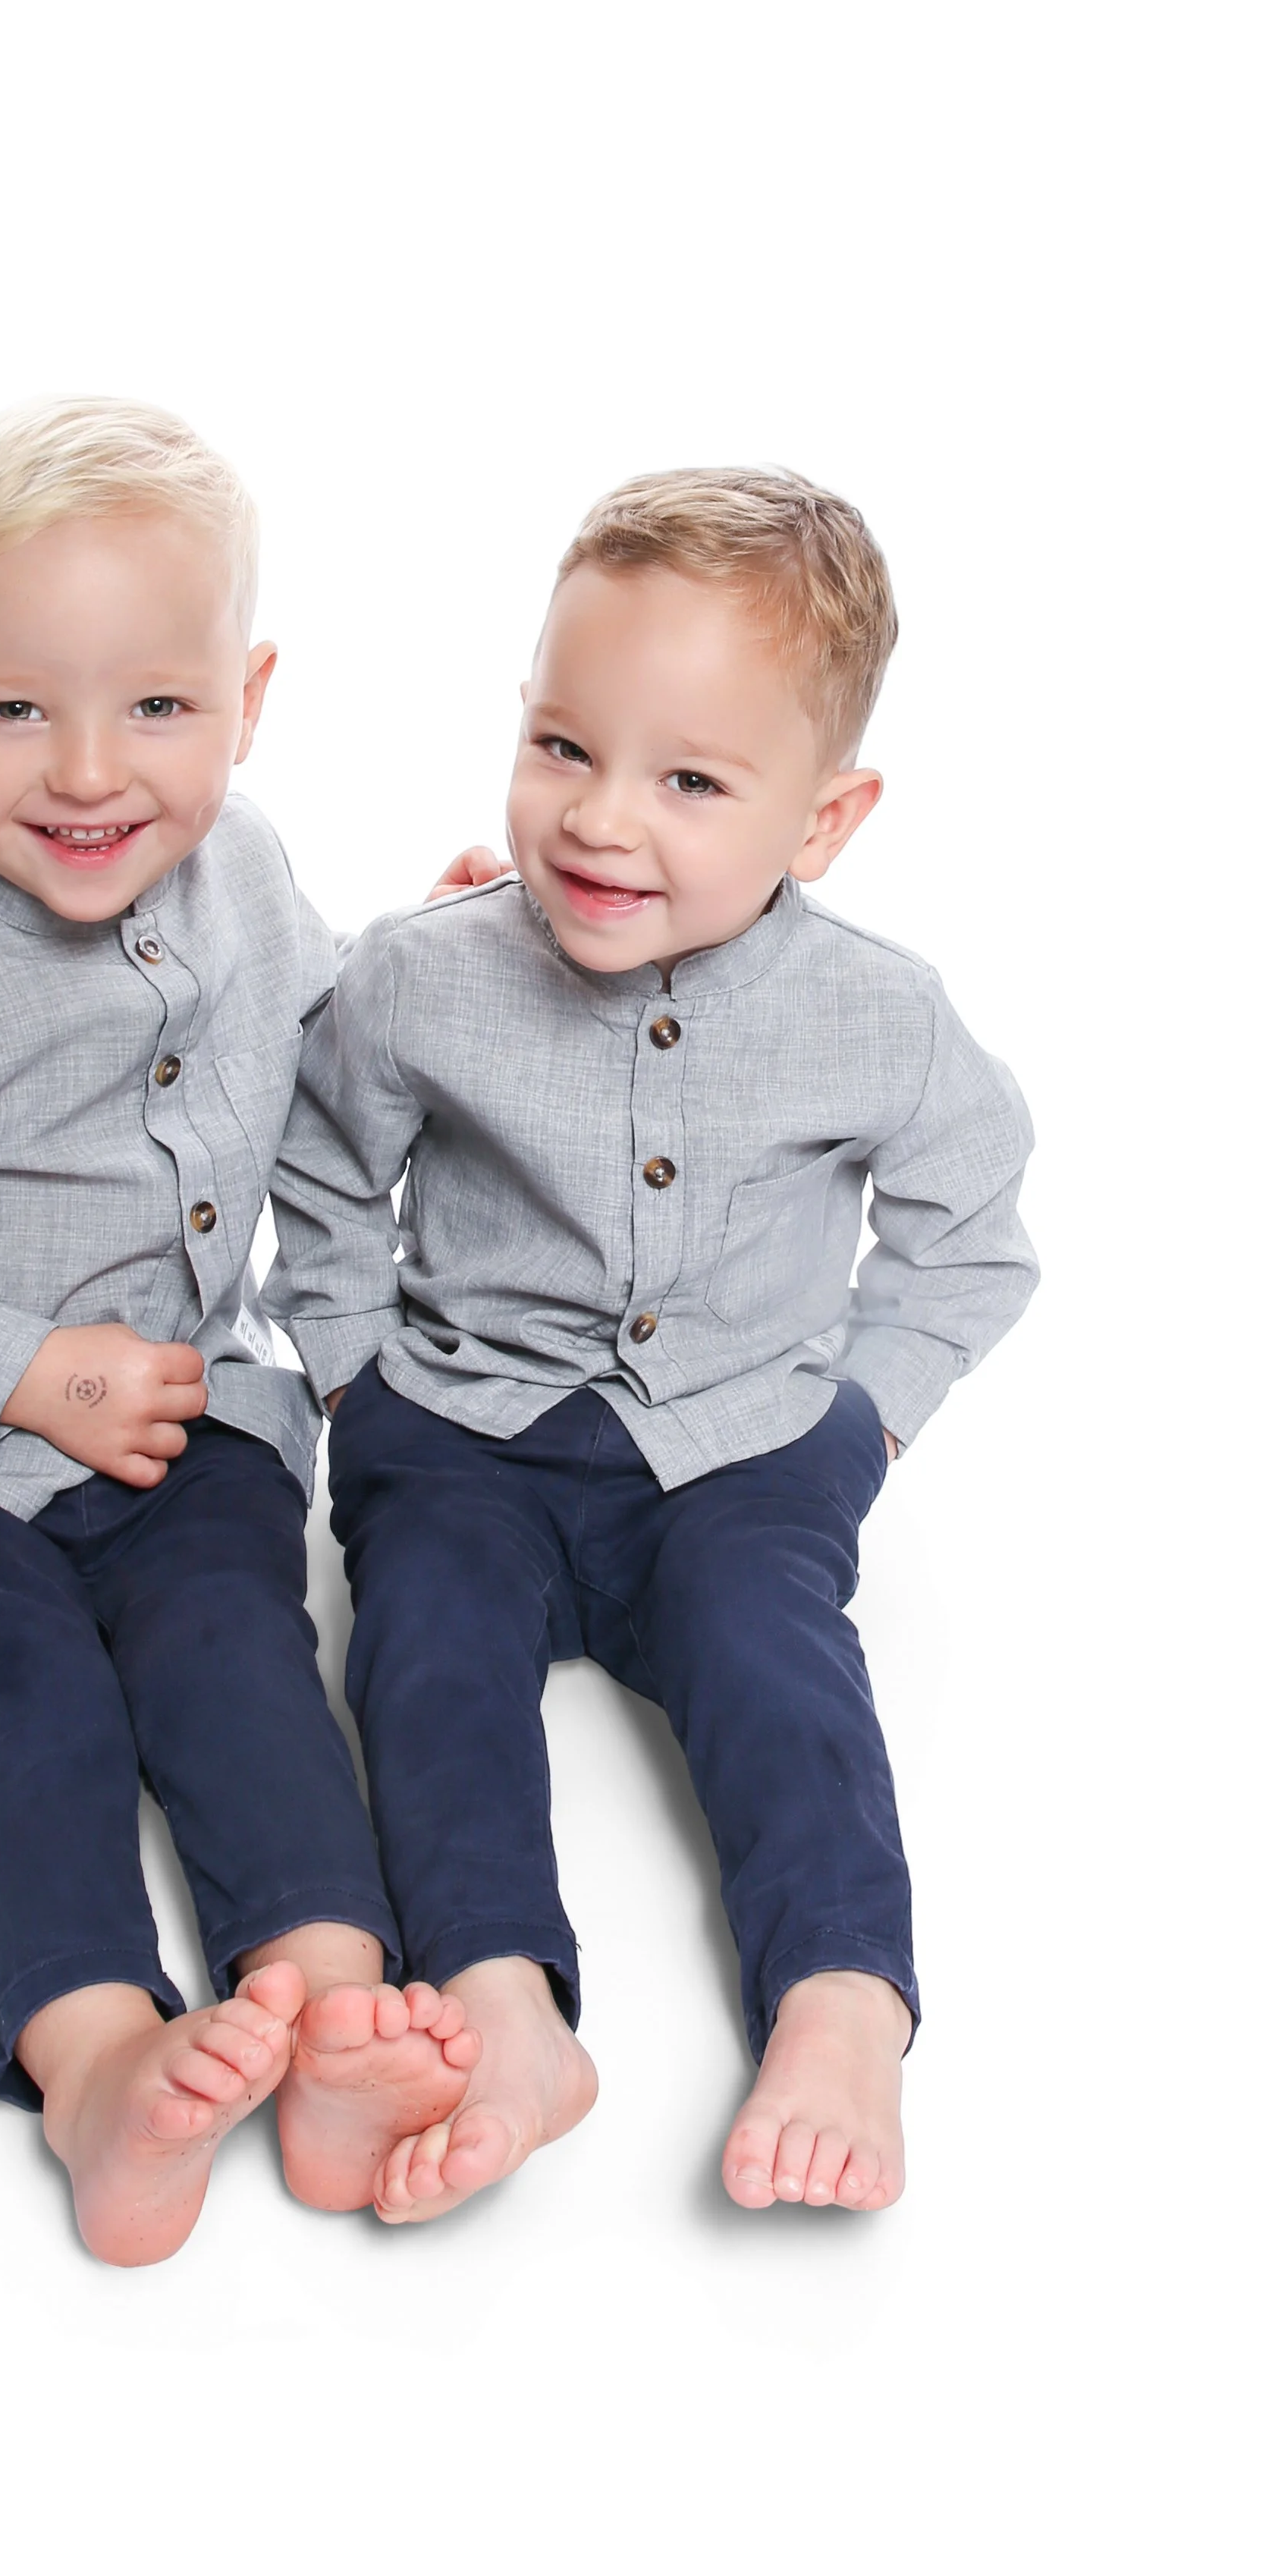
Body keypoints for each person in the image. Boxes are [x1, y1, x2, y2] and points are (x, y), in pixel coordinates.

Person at [0, 397, 480, 2264]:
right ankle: (100, 2069)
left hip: (183, 1428)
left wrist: (436, 957)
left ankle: (332, 2001)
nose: (87, 770)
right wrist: (20, 1367)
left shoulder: (246, 870)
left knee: (239, 1657)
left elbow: (308, 1032)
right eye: (14, 709)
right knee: (26, 1716)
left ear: (248, 696)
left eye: (155, 706)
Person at [268, 467, 1038, 2221]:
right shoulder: (425, 974)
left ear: (825, 818)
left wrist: (866, 1421)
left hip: (740, 1447)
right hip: (464, 1429)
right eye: (564, 747)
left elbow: (969, 1231)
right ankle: (502, 2004)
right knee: (427, 1659)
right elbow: (319, 1172)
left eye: (692, 781)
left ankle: (839, 2003)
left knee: (782, 1673)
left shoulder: (879, 1015)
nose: (604, 820)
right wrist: (352, 1377)